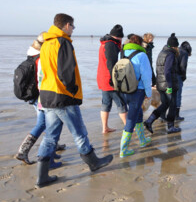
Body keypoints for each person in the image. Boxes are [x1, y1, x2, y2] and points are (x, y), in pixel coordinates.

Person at [36, 13, 113, 188]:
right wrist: (73, 89)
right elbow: (65, 72)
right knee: (79, 132)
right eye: (73, 26)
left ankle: (42, 177)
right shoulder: (62, 42)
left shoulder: (46, 43)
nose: (73, 30)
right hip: (62, 95)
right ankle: (93, 162)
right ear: (67, 25)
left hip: (47, 95)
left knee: (50, 137)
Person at [15, 32, 63, 168]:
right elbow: (43, 79)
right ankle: (25, 152)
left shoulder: (31, 55)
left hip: (34, 96)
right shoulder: (41, 58)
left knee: (47, 123)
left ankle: (51, 152)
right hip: (42, 96)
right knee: (44, 124)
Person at [119, 34, 152, 157]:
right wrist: (149, 94)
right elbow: (146, 77)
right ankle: (123, 150)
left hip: (124, 89)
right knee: (131, 118)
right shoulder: (142, 55)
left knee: (138, 113)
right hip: (138, 91)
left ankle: (142, 140)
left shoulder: (122, 53)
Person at [144, 33, 182, 134]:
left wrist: (157, 82)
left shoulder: (162, 52)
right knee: (172, 106)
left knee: (164, 105)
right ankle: (170, 127)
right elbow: (167, 71)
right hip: (168, 85)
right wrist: (169, 85)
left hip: (160, 84)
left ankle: (149, 121)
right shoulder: (170, 54)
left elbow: (158, 69)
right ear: (175, 46)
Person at [97, 24, 127, 133]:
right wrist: (113, 78)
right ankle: (128, 127)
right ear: (118, 36)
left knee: (106, 103)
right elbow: (111, 63)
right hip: (109, 79)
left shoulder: (105, 43)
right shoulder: (111, 45)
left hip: (103, 78)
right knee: (121, 103)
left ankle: (105, 128)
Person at [176, 41, 192, 121]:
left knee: (169, 96)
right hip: (178, 76)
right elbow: (183, 66)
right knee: (178, 96)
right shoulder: (184, 53)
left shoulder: (176, 50)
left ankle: (163, 115)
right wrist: (183, 76)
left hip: (170, 75)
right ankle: (176, 115)